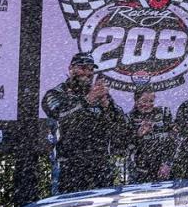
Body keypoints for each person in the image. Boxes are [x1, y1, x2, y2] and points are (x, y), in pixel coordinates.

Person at [41, 52, 126, 193]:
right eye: (82, 67)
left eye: (91, 69)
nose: (87, 72)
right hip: (69, 165)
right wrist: (87, 101)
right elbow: (61, 115)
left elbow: (122, 125)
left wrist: (107, 105)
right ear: (71, 68)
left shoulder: (99, 94)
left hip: (100, 165)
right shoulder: (56, 94)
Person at [126, 86, 176, 183]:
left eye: (151, 101)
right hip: (139, 173)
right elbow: (124, 146)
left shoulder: (164, 113)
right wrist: (138, 134)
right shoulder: (129, 118)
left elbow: (173, 142)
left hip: (163, 171)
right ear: (136, 101)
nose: (148, 104)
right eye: (144, 101)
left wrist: (167, 164)